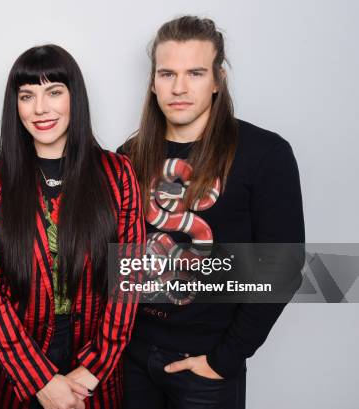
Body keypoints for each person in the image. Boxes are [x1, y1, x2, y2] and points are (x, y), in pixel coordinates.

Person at [118, 16, 305, 409]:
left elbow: (283, 265)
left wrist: (225, 359)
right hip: (131, 361)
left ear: (218, 79)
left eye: (196, 73)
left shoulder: (264, 154)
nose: (179, 87)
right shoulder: (128, 157)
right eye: (167, 73)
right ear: (153, 82)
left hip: (206, 368)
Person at [0, 44, 145, 409]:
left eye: (54, 92)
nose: (40, 108)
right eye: (27, 95)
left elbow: (128, 279)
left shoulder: (117, 174)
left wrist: (95, 368)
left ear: (73, 98)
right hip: (13, 364)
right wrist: (39, 379)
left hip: (92, 362)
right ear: (15, 106)